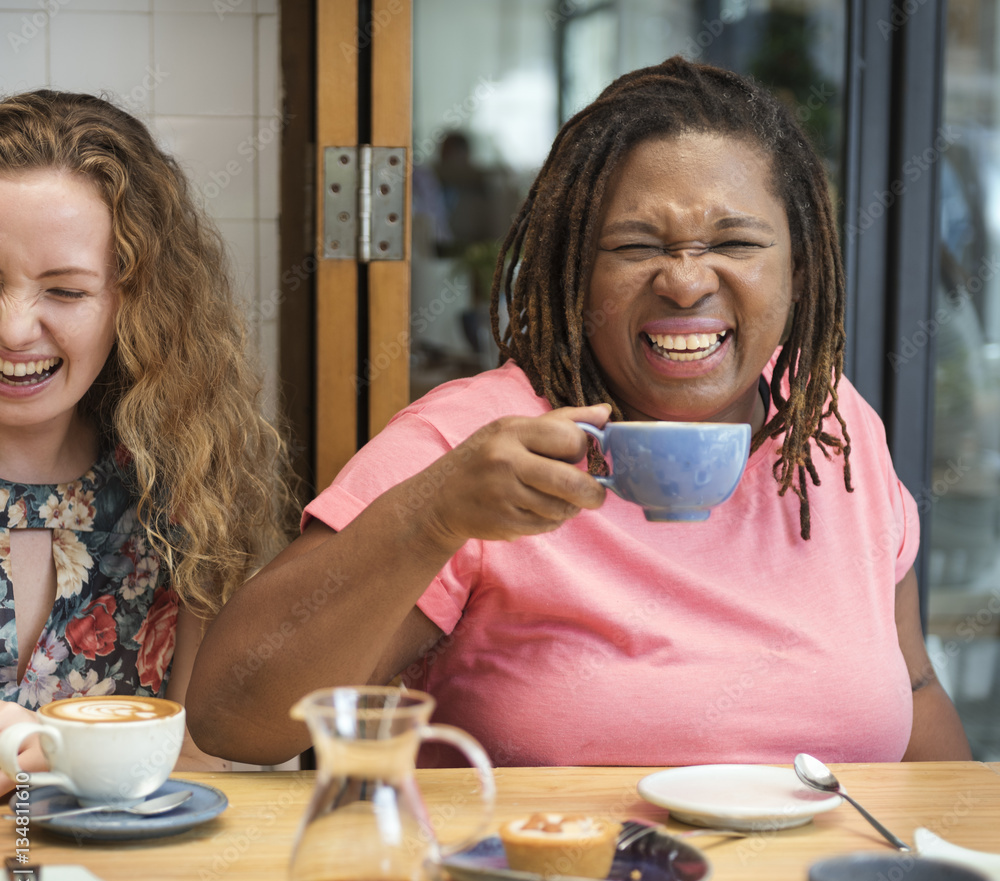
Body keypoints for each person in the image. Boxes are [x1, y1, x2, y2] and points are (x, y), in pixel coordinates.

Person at [188, 57, 971, 767]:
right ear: (570, 270)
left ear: (800, 267)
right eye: (635, 247)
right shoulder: (474, 443)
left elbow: (916, 686)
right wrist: (432, 515)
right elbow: (234, 718)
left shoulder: (828, 422)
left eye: (734, 242)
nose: (686, 282)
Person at [0, 90, 296, 792]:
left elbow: (197, 765)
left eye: (65, 293)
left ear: (134, 302)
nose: (14, 330)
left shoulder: (180, 485)